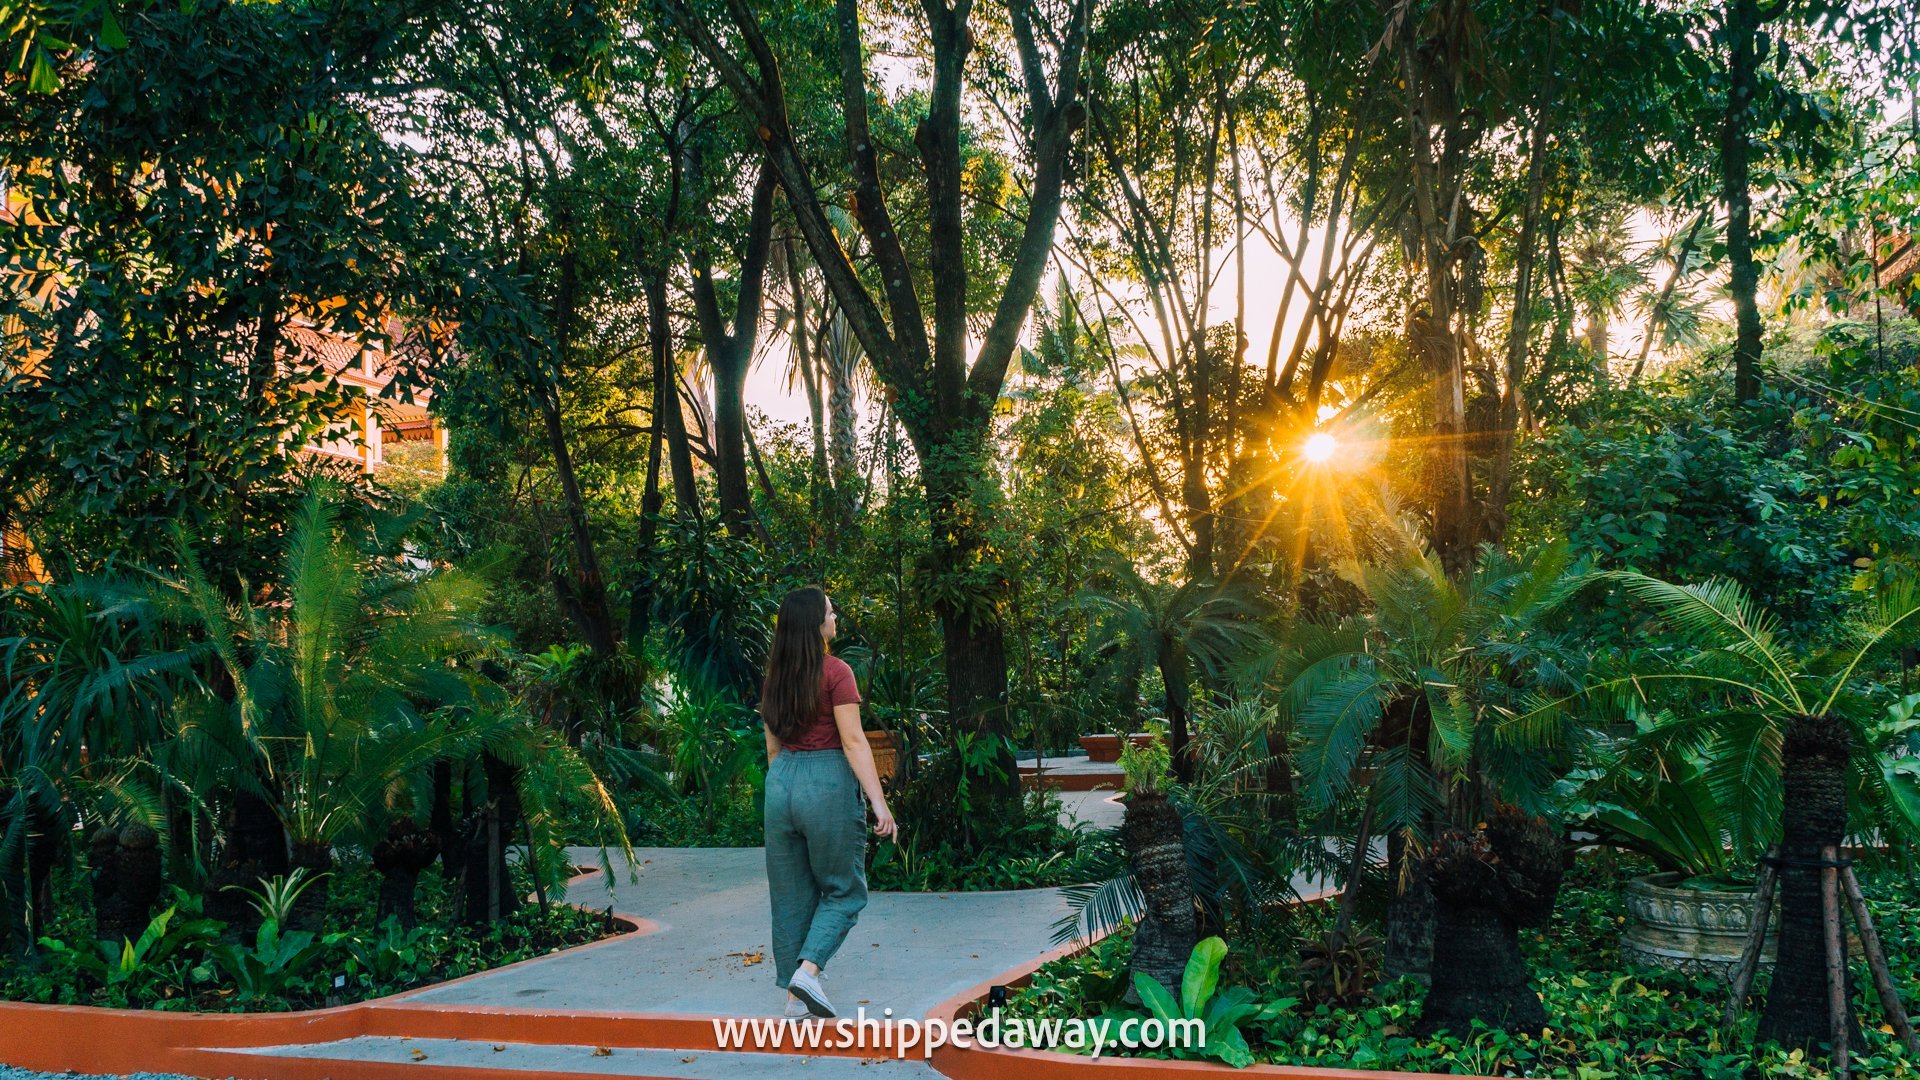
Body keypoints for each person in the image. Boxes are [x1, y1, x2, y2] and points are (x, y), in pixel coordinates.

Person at [758, 585, 898, 1019]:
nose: (835, 619)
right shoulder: (836, 672)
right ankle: (808, 972)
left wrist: (784, 789)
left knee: (790, 896)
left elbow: (772, 750)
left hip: (780, 785)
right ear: (815, 625)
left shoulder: (774, 678)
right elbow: (853, 741)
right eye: (831, 613)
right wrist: (879, 803)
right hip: (826, 782)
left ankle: (792, 1001)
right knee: (844, 891)